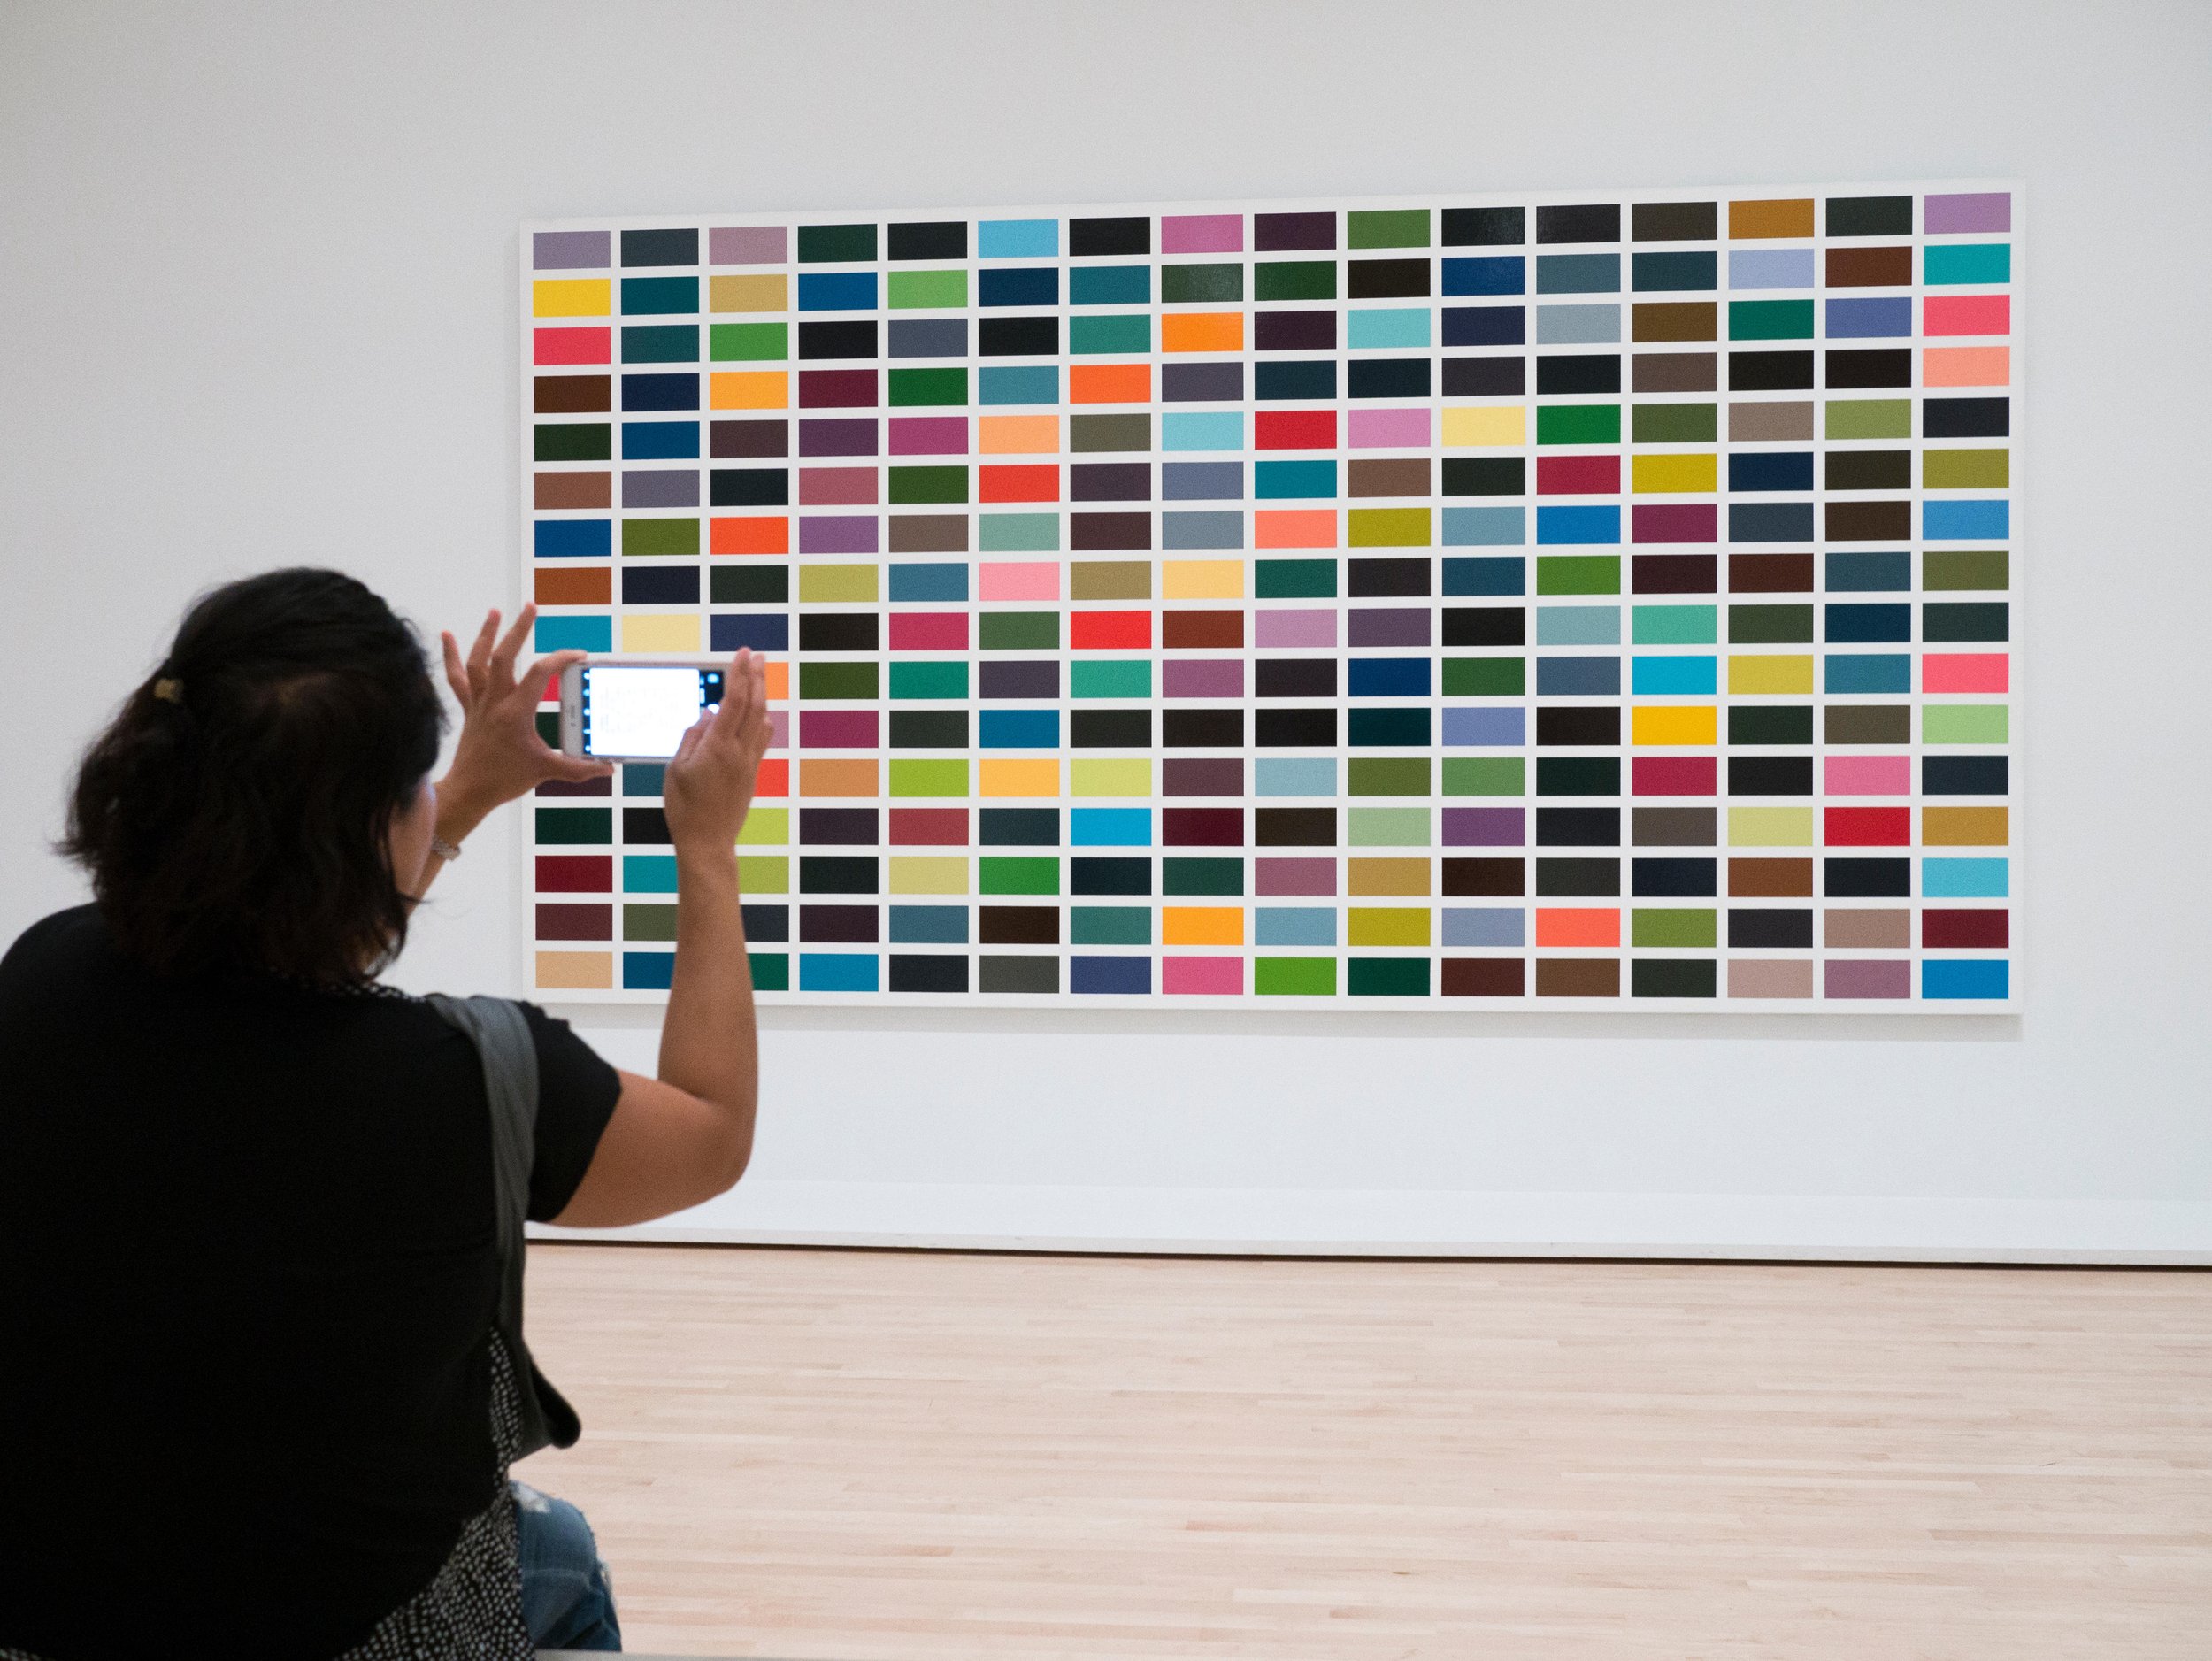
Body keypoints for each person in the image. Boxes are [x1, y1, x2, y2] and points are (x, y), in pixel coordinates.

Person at [0, 567, 770, 1659]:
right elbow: (708, 1128)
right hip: (351, 1626)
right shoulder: (474, 1082)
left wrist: (460, 794)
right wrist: (706, 851)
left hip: (49, 1606)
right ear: (372, 823)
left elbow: (277, 936)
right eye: (414, 784)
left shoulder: (43, 976)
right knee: (558, 1549)